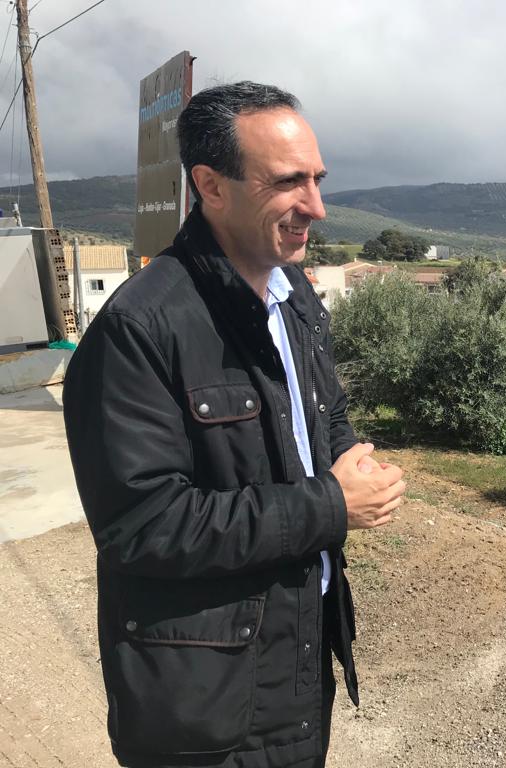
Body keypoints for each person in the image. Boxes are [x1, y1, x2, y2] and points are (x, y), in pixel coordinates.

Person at [63, 81, 406, 768]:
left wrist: (349, 458)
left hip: (299, 659)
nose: (317, 206)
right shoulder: (140, 328)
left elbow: (323, 410)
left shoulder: (295, 294)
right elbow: (143, 526)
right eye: (287, 182)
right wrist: (332, 504)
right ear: (210, 186)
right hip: (204, 705)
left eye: (317, 178)